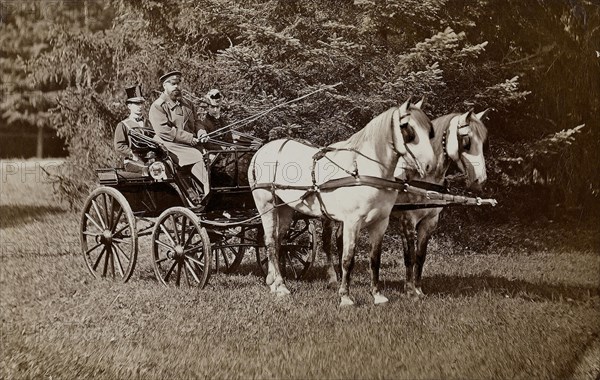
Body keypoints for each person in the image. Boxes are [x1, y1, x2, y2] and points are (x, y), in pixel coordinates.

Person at [148, 70, 209, 204]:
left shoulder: (188, 103)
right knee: (197, 157)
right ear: (165, 86)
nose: (176, 87)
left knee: (213, 155)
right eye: (173, 84)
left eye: (178, 83)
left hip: (190, 143)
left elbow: (197, 122)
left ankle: (214, 189)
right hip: (168, 144)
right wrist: (189, 138)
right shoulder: (158, 106)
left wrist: (201, 133)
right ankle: (207, 193)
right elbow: (164, 131)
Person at [114, 84, 153, 172]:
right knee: (148, 170)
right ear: (129, 106)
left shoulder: (149, 123)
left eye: (141, 103)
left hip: (150, 159)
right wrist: (132, 154)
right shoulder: (123, 125)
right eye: (136, 104)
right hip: (132, 161)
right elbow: (119, 146)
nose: (140, 106)